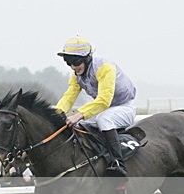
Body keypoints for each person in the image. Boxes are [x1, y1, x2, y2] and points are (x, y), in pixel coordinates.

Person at [55, 36, 136, 178]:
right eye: (68, 62)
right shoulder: (76, 75)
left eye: (76, 62)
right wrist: (56, 114)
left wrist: (79, 114)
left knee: (104, 120)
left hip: (124, 107)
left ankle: (118, 163)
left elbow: (104, 100)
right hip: (103, 110)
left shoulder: (104, 67)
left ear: (87, 58)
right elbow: (69, 96)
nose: (73, 67)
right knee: (77, 125)